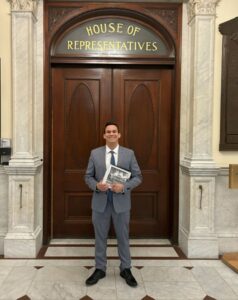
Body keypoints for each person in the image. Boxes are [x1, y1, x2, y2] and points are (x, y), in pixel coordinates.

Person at [84, 121, 142, 287]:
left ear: (119, 135)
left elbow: (138, 177)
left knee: (123, 237)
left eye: (114, 131)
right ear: (104, 135)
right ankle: (100, 269)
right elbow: (87, 177)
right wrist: (96, 185)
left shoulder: (129, 154)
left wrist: (124, 186)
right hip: (100, 202)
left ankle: (126, 268)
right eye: (108, 132)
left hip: (122, 203)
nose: (111, 134)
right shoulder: (95, 154)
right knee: (100, 238)